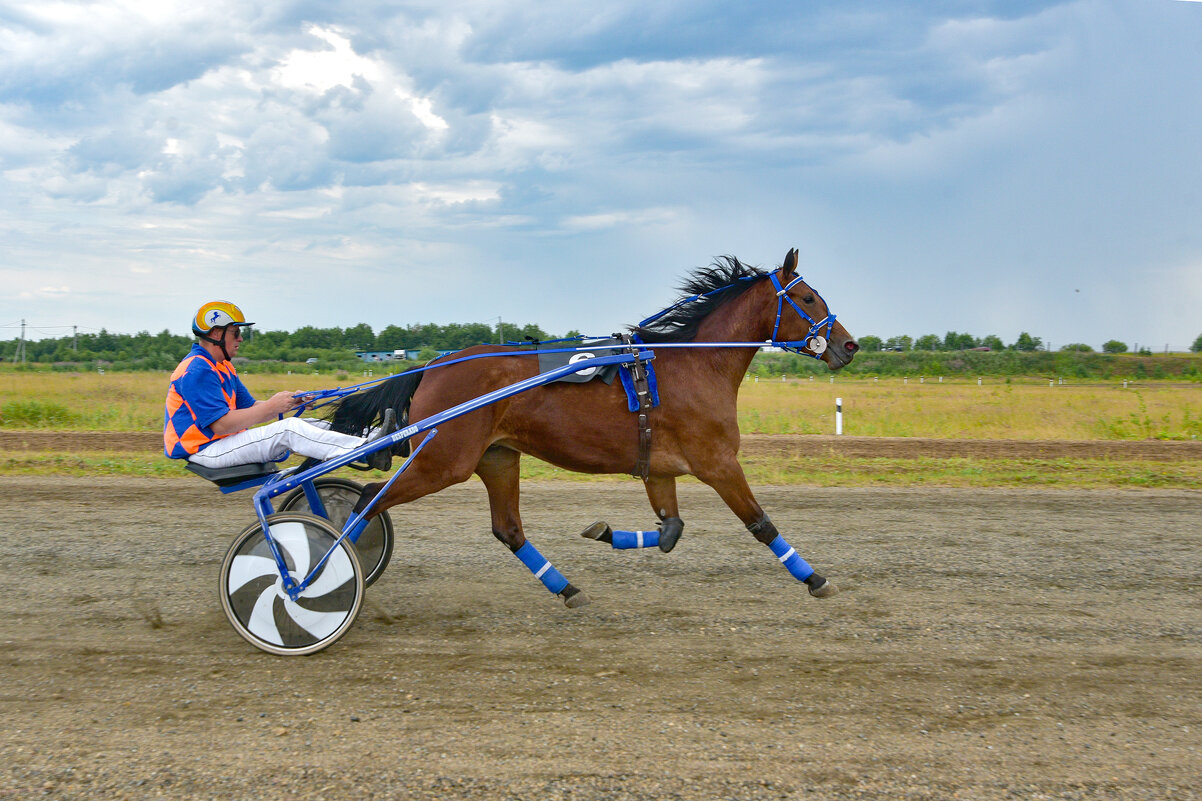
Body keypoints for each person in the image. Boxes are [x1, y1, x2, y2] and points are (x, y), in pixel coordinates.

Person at [164, 301, 395, 471]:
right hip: (205, 450)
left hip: (221, 444)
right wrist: (274, 407)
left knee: (311, 424)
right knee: (289, 429)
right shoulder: (197, 370)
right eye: (236, 332)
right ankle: (367, 451)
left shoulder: (222, 366)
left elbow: (253, 407)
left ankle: (387, 439)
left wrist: (290, 402)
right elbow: (221, 425)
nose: (241, 339)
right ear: (216, 333)